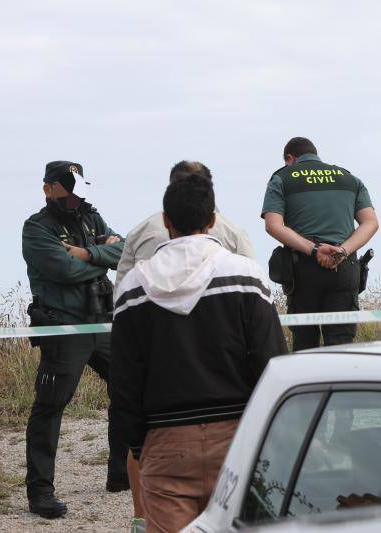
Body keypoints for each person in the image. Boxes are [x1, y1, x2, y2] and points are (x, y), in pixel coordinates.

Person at [111, 175, 287, 532]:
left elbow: (124, 381)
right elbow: (271, 362)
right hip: (237, 437)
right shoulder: (246, 276)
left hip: (165, 441)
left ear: (166, 222)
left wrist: (138, 446)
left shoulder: (132, 289)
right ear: (212, 221)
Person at [21, 161, 128, 519]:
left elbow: (126, 250)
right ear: (48, 188)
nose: (72, 196)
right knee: (51, 406)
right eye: (65, 188)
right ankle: (40, 492)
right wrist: (102, 256)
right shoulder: (36, 228)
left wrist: (88, 253)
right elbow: (64, 271)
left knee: (128, 390)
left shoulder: (91, 218)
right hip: (64, 327)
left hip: (103, 322)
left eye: (76, 188)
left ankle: (120, 474)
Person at [261, 137, 379, 350]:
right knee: (342, 345)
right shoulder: (349, 178)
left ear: (290, 158)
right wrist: (342, 251)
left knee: (305, 345)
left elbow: (273, 225)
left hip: (303, 271)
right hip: (344, 268)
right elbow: (370, 222)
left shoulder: (281, 178)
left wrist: (314, 250)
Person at [115, 160, 254, 289]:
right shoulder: (235, 234)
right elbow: (250, 286)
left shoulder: (138, 233)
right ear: (209, 189)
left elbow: (121, 295)